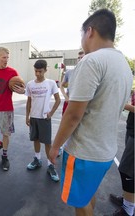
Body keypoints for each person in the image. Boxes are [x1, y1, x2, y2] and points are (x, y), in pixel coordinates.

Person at [49, 9, 133, 216]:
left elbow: (73, 115)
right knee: (88, 195)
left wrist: (55, 146)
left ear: (90, 31)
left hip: (83, 153)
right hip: (105, 151)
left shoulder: (91, 61)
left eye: (81, 36)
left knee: (80, 203)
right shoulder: (123, 65)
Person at [25, 59, 61, 182]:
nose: (38, 74)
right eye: (36, 71)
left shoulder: (51, 83)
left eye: (40, 71)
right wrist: (27, 116)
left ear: (45, 70)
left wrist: (51, 113)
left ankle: (50, 165)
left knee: (47, 143)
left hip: (44, 118)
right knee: (35, 139)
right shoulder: (30, 84)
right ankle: (37, 159)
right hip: (34, 117)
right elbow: (29, 101)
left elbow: (58, 100)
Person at [107, 90, 134, 216]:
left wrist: (123, 104)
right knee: (130, 169)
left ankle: (128, 209)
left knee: (126, 170)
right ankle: (129, 200)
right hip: (132, 127)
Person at [60, 50, 85, 115]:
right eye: (78, 58)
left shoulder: (88, 73)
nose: (80, 59)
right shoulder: (69, 72)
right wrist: (65, 97)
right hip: (69, 101)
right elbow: (61, 85)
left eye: (82, 58)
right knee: (65, 122)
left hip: (81, 102)